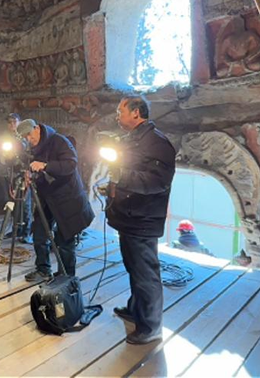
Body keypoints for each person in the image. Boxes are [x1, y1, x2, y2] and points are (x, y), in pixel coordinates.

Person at [106, 93, 176, 345]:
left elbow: (158, 182)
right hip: (129, 216)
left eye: (121, 111)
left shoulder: (157, 142)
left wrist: (121, 177)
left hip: (143, 219)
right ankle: (136, 310)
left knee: (146, 273)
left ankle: (151, 326)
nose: (117, 116)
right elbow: (128, 172)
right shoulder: (134, 140)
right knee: (134, 268)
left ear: (136, 112)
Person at [17, 119, 94, 280]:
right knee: (39, 233)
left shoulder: (59, 141)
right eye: (25, 137)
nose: (29, 139)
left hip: (66, 196)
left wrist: (46, 165)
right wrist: (29, 173)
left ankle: (66, 277)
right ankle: (43, 269)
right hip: (46, 196)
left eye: (29, 135)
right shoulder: (32, 148)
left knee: (65, 238)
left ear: (37, 128)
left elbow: (70, 164)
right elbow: (32, 165)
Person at [2, 113, 32, 243]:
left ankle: (27, 231)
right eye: (9, 122)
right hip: (12, 173)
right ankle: (16, 229)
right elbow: (4, 155)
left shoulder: (26, 136)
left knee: (25, 203)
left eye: (14, 122)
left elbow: (29, 154)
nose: (12, 125)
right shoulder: (7, 138)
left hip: (24, 173)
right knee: (13, 202)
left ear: (20, 123)